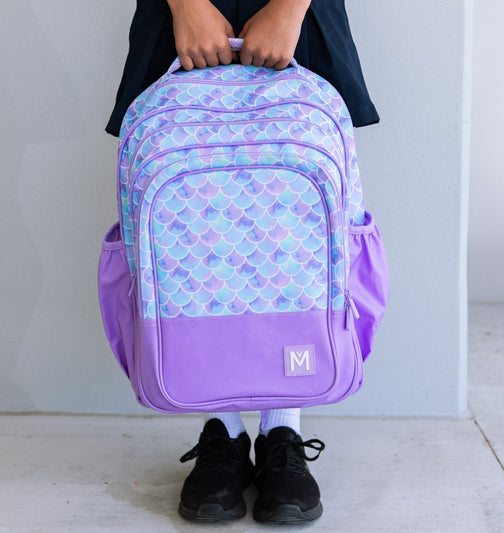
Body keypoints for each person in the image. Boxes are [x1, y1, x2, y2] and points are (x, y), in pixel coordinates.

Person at [106, 0, 379, 524]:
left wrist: (290, 8)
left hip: (295, 13)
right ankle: (224, 435)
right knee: (191, 233)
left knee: (295, 236)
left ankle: (283, 430)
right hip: (180, 12)